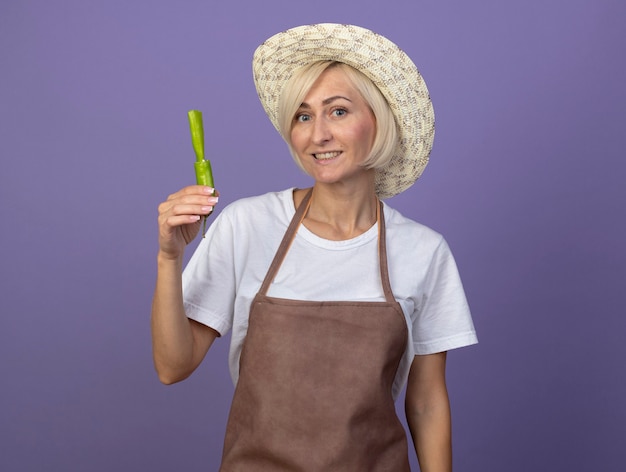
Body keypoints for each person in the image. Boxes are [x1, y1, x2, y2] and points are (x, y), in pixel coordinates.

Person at [152, 23, 477, 472]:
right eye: (303, 116)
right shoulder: (248, 225)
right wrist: (170, 257)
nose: (317, 134)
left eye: (338, 111)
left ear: (379, 122)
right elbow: (173, 365)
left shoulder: (424, 251)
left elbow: (426, 403)